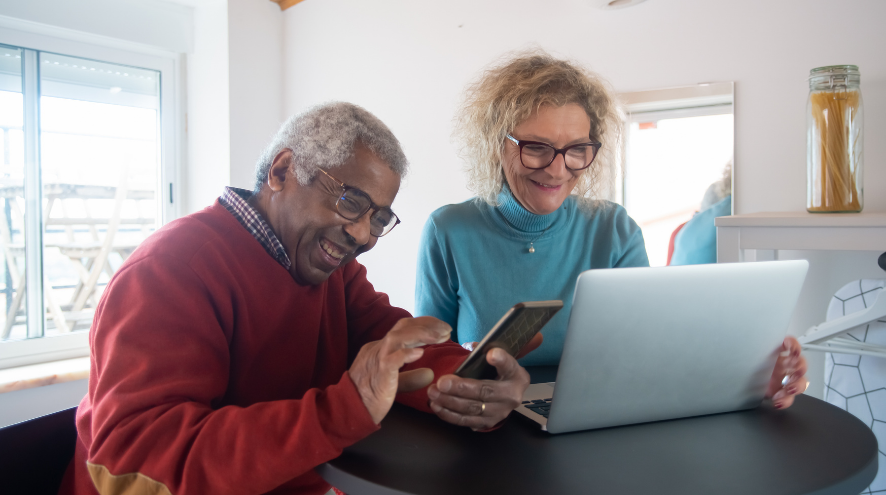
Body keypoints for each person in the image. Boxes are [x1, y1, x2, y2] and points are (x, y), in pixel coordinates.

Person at [60, 102, 533, 495]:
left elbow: (398, 349)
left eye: (378, 218)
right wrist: (338, 412)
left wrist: (476, 386)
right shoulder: (170, 272)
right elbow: (131, 472)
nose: (363, 235)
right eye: (350, 201)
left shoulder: (333, 271)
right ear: (282, 170)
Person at [414, 50, 807, 409]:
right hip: (484, 420)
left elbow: (654, 351)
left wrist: (751, 379)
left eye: (577, 150)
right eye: (536, 147)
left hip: (590, 414)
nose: (557, 169)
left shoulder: (614, 229)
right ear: (496, 145)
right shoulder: (449, 230)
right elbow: (430, 364)